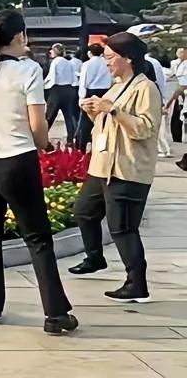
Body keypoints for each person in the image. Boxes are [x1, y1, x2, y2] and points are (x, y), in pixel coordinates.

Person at [0, 10, 78, 335]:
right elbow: (38, 124)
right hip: (18, 162)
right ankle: (55, 314)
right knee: (38, 239)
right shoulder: (27, 70)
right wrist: (44, 144)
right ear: (20, 36)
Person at [70, 32, 162, 303]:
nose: (107, 63)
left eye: (111, 58)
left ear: (128, 58)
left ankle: (136, 285)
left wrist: (112, 110)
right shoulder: (118, 85)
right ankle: (94, 257)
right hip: (102, 166)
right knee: (84, 211)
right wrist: (93, 111)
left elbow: (145, 129)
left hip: (127, 169)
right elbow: (108, 124)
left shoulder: (146, 88)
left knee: (122, 228)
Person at [75, 44, 112, 151]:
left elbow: (83, 82)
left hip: (91, 92)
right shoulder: (107, 63)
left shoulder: (87, 64)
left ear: (89, 53)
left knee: (85, 122)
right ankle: (101, 146)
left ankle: (81, 148)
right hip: (105, 92)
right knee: (104, 121)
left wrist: (81, 98)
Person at [44, 43, 79, 142]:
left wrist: (43, 85)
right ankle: (70, 140)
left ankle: (43, 136)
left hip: (57, 90)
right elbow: (74, 78)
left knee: (50, 115)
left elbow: (52, 77)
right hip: (69, 90)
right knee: (68, 117)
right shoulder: (69, 62)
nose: (50, 52)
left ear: (55, 51)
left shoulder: (55, 62)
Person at [146, 51, 172, 157]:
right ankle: (165, 148)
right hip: (161, 98)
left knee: (158, 128)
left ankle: (163, 149)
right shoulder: (156, 64)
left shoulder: (147, 63)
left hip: (154, 101)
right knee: (162, 127)